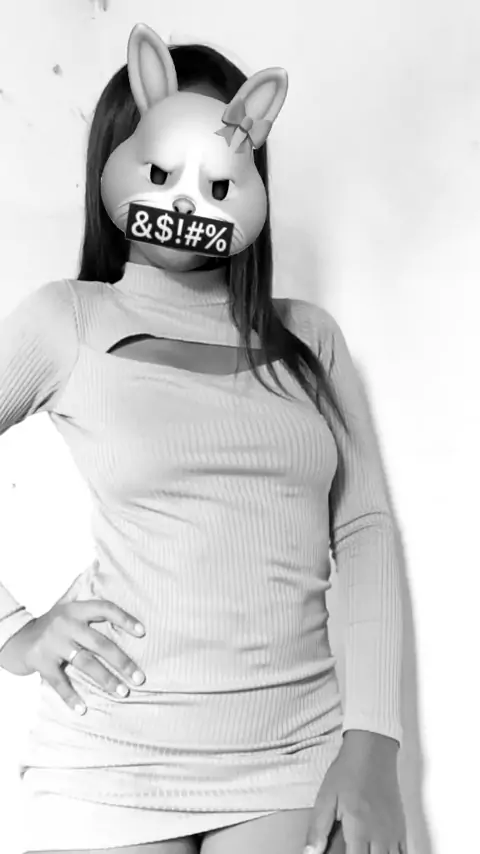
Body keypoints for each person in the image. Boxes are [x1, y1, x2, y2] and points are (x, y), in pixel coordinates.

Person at [0, 23, 406, 854]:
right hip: (109, 757)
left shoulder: (310, 341)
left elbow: (362, 530)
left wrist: (373, 745)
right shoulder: (69, 321)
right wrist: (15, 631)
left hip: (295, 753)